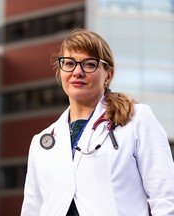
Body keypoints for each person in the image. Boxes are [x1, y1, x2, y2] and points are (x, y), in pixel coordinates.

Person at [20, 28, 174, 216]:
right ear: (60, 72)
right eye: (69, 63)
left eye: (89, 64)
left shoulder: (138, 120)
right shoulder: (41, 142)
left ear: (108, 75)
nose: (77, 72)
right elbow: (32, 209)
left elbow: (166, 198)